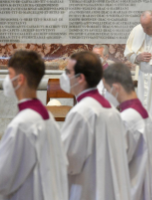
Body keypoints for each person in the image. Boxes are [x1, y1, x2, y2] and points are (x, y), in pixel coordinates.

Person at [0, 50, 68, 200]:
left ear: (19, 79)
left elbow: (1, 177)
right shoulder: (48, 119)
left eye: (9, 74)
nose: (7, 80)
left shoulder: (23, 124)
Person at [60, 51, 131, 200]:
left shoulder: (81, 112)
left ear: (80, 78)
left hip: (87, 191)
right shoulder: (112, 110)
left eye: (68, 72)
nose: (64, 76)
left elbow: (67, 161)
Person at [102, 63, 152, 200]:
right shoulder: (148, 117)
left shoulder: (126, 120)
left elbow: (114, 167)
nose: (105, 94)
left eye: (106, 90)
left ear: (116, 88)